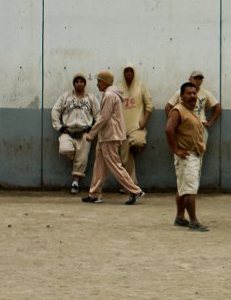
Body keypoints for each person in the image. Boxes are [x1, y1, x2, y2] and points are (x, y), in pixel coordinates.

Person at [82, 71, 145, 205]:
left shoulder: (109, 95)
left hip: (110, 135)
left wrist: (91, 134)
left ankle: (135, 190)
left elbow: (104, 117)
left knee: (115, 165)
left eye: (99, 81)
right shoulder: (111, 94)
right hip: (106, 135)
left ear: (105, 82)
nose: (97, 84)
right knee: (99, 166)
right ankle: (94, 194)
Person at [165, 81, 209, 231]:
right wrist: (175, 149)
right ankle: (194, 221)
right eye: (188, 93)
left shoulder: (191, 110)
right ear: (181, 96)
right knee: (190, 189)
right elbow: (168, 129)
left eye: (194, 93)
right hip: (186, 156)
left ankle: (180, 217)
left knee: (183, 188)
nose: (192, 96)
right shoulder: (178, 110)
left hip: (193, 154)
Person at [50, 73, 100, 194]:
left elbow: (99, 115)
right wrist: (60, 127)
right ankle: (75, 158)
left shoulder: (91, 97)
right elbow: (55, 110)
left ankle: (75, 182)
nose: (79, 83)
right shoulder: (65, 96)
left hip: (84, 132)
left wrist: (93, 129)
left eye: (81, 81)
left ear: (85, 83)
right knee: (64, 149)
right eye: (76, 81)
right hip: (68, 130)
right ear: (74, 84)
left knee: (82, 159)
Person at [119, 63, 154, 185]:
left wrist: (144, 120)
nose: (129, 73)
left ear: (134, 73)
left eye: (131, 71)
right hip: (121, 129)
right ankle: (131, 185)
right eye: (126, 71)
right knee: (125, 159)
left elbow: (149, 105)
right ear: (123, 73)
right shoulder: (118, 88)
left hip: (137, 127)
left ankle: (133, 151)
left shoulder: (141, 86)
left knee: (138, 142)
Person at [165, 71, 221, 138]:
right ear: (189, 79)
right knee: (184, 148)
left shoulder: (206, 93)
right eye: (195, 78)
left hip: (200, 127)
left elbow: (217, 107)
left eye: (200, 79)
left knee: (201, 148)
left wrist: (211, 122)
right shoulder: (180, 93)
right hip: (184, 128)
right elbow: (168, 107)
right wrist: (173, 122)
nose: (198, 81)